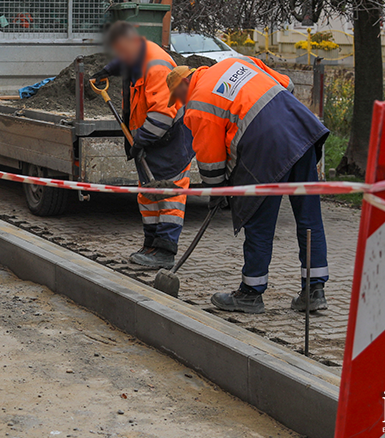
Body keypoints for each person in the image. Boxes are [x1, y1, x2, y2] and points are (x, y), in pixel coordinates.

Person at [166, 58, 330, 314]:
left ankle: (251, 294)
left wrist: (217, 192)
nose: (181, 103)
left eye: (178, 96)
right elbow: (287, 85)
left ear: (186, 82)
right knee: (309, 217)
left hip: (266, 149)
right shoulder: (236, 62)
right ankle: (314, 291)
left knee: (258, 222)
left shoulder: (198, 103)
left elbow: (211, 160)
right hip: (300, 128)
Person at [91, 22, 194, 269]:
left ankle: (165, 251)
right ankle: (150, 244)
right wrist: (107, 70)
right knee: (148, 195)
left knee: (170, 195)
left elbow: (163, 114)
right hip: (151, 140)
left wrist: (140, 140)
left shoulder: (156, 67)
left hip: (169, 140)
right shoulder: (136, 53)